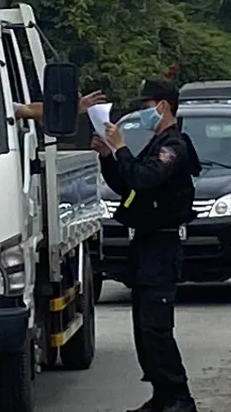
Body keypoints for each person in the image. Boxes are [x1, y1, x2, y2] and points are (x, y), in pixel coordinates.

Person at [92, 79, 201, 412]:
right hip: (144, 244)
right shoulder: (155, 144)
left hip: (162, 245)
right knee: (143, 328)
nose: (142, 112)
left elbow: (146, 178)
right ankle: (161, 394)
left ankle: (179, 396)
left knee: (156, 327)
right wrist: (108, 156)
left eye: (146, 105)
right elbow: (129, 185)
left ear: (162, 106)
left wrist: (121, 147)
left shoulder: (174, 145)